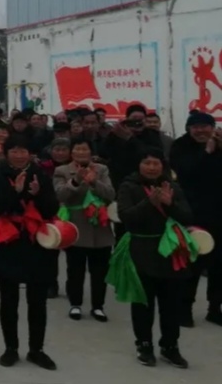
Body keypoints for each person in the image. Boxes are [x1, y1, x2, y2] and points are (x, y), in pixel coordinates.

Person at [109, 148, 195, 368]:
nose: (151, 167)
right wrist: (150, 203)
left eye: (156, 163)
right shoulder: (128, 186)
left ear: (162, 166)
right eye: (147, 163)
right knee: (143, 302)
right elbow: (126, 217)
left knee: (171, 304)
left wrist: (169, 204)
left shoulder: (172, 186)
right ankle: (144, 345)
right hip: (141, 250)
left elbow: (187, 216)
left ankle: (170, 346)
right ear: (139, 165)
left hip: (171, 251)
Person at [0, 135, 59, 370]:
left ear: (30, 153)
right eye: (14, 151)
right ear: (6, 154)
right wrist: (14, 192)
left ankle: (37, 350)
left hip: (36, 243)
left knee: (37, 301)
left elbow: (52, 208)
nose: (19, 155)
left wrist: (37, 194)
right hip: (9, 242)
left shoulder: (41, 175)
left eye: (23, 150)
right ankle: (11, 348)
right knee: (8, 299)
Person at [168, 110, 221, 327]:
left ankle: (215, 308)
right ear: (189, 129)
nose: (200, 131)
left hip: (219, 214)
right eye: (195, 127)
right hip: (193, 214)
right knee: (192, 266)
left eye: (204, 126)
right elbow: (187, 174)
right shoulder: (180, 147)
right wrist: (207, 152)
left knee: (219, 266)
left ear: (212, 127)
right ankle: (184, 309)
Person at [53, 137, 114, 321]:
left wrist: (95, 183)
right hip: (76, 226)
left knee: (100, 270)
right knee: (75, 269)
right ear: (71, 153)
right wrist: (76, 181)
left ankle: (98, 306)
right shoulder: (62, 171)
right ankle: (75, 304)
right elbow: (60, 195)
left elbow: (110, 194)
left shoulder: (101, 170)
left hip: (100, 226)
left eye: (84, 149)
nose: (81, 153)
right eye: (77, 149)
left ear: (90, 152)